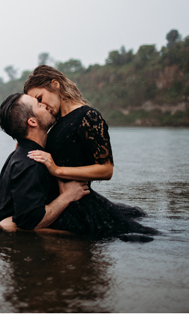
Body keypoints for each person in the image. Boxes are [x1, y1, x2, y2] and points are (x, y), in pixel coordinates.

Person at [21, 64, 158, 239]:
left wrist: (57, 170)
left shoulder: (88, 117)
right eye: (37, 103)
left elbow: (106, 170)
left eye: (40, 98)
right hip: (60, 204)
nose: (42, 105)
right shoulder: (56, 122)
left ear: (55, 84)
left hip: (78, 205)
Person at [0, 92, 90, 232]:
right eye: (39, 104)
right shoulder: (29, 164)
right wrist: (67, 196)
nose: (45, 105)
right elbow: (31, 222)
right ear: (32, 122)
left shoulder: (21, 154)